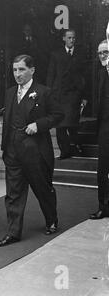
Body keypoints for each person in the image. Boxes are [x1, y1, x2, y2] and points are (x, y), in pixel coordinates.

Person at [0, 55, 64, 247]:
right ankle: (13, 232)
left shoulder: (44, 92)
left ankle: (51, 219)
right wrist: (6, 147)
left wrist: (39, 124)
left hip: (35, 150)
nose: (17, 74)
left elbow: (58, 115)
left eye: (22, 69)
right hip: (13, 150)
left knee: (42, 188)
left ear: (32, 70)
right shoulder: (9, 93)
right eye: (15, 70)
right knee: (13, 193)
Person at [47, 29, 87, 159]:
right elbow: (51, 75)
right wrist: (49, 93)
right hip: (59, 94)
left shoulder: (80, 54)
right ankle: (65, 151)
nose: (71, 40)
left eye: (73, 38)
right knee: (60, 125)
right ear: (64, 38)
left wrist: (84, 96)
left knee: (72, 123)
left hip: (74, 94)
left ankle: (76, 147)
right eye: (69, 38)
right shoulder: (56, 54)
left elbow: (84, 75)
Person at [90, 40, 109, 220]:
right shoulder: (101, 73)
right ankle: (103, 207)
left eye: (106, 52)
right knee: (102, 168)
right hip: (105, 126)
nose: (102, 56)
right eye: (100, 53)